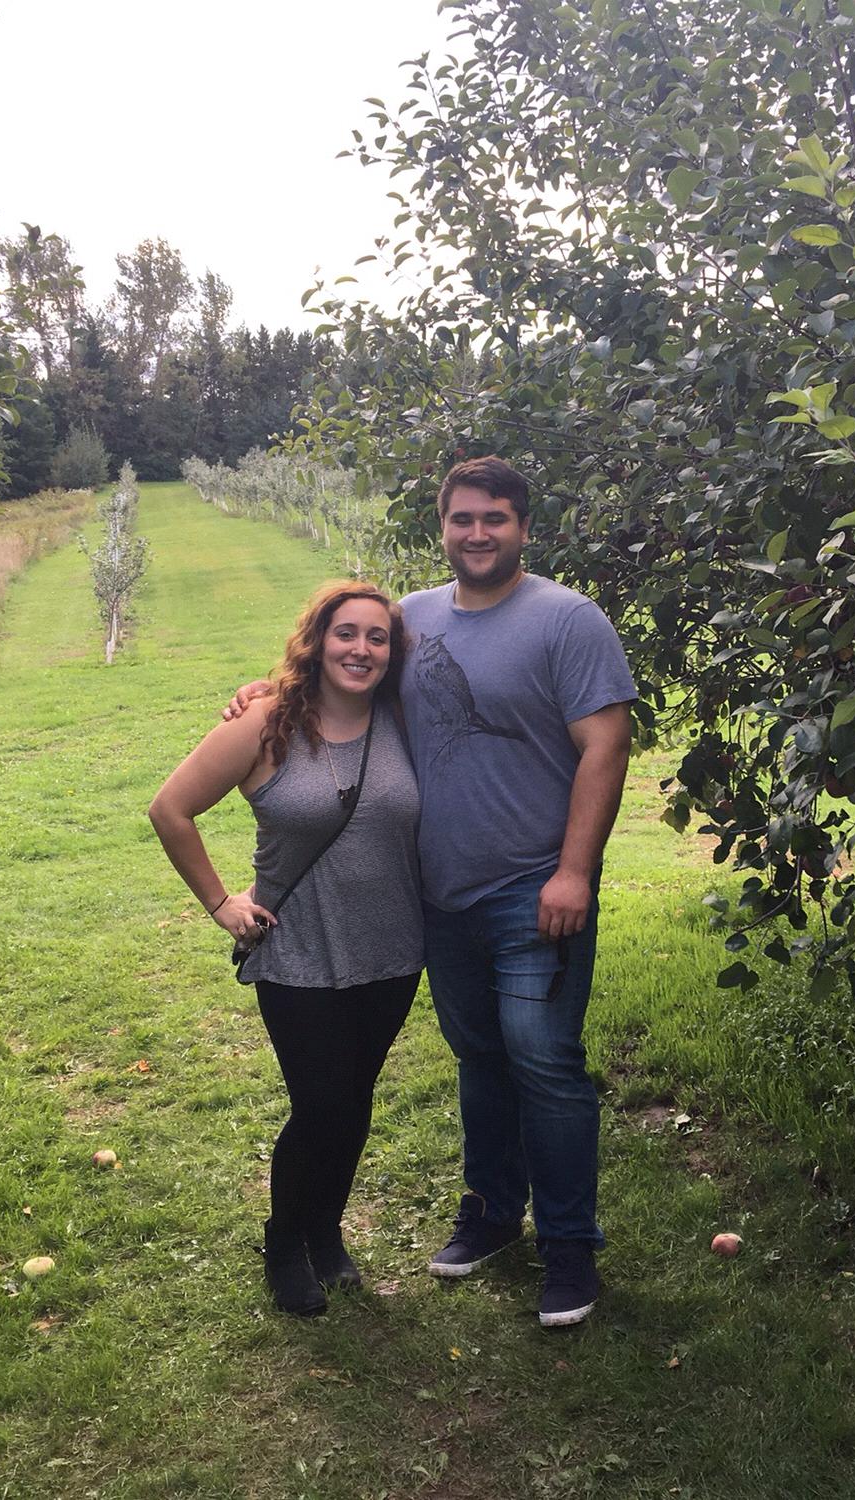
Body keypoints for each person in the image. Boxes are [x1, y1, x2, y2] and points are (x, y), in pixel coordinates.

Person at [229, 457, 635, 1327]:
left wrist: (574, 871)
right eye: (462, 519)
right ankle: (492, 1213)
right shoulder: (409, 620)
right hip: (440, 899)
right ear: (442, 526)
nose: (477, 533)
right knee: (480, 1059)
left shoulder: (568, 620)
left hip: (535, 888)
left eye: (495, 518)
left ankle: (570, 1248)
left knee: (545, 1061)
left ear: (524, 526)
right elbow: (344, 674)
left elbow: (606, 745)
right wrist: (264, 694)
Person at [148, 580, 423, 1317]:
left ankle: (326, 1233)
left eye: (377, 638)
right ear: (317, 640)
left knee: (354, 1100)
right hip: (300, 951)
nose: (360, 649)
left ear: (392, 653)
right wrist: (220, 901)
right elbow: (170, 809)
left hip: (395, 950)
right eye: (346, 633)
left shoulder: (404, 719)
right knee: (321, 1100)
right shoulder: (268, 723)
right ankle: (284, 1241)